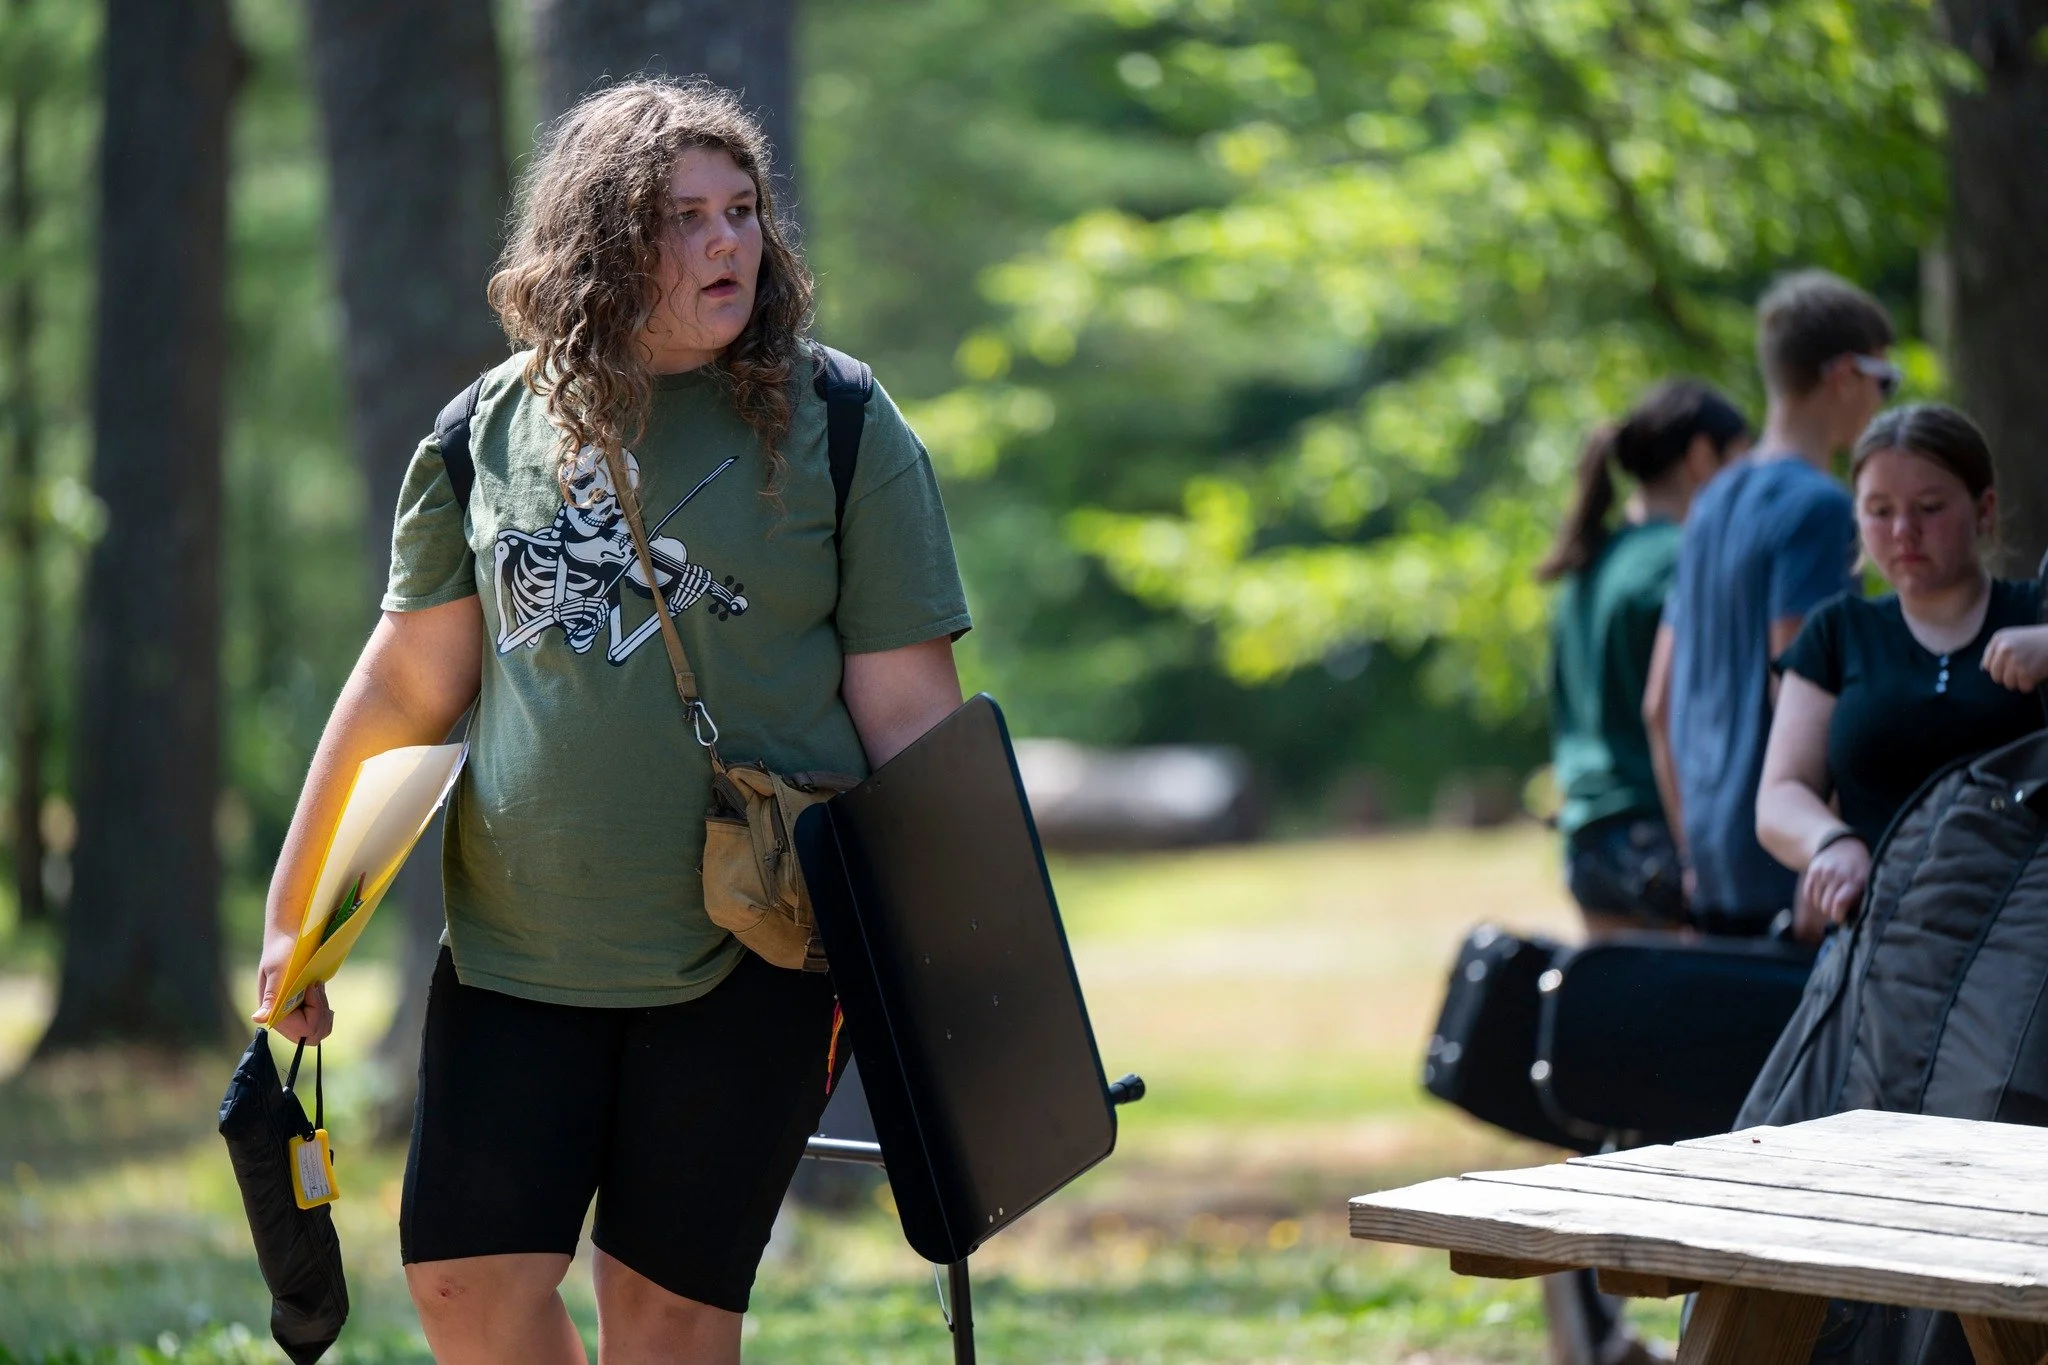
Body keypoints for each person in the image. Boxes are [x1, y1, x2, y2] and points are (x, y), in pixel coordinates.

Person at [252, 80, 972, 1363]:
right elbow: (407, 689)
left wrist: (950, 968)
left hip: (754, 950)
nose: (727, 245)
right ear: (600, 244)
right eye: (682, 218)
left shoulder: (845, 426)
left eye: (741, 212)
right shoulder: (487, 430)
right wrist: (296, 918)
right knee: (465, 1290)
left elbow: (912, 723)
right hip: (517, 948)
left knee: (667, 1322)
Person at [1645, 270, 1898, 938]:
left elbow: (1657, 703)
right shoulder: (1818, 509)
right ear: (1844, 373)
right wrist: (1825, 846)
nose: (1883, 401)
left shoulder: (1710, 503)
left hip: (1716, 861)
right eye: (1884, 379)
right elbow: (1803, 693)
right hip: (1790, 867)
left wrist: (1694, 852)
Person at [1758, 404, 2048, 929]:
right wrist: (1831, 842)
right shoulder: (1837, 631)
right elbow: (1780, 796)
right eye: (1879, 510)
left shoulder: (2038, 614)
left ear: (1984, 510)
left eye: (1930, 507)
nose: (1904, 531)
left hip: (2025, 941)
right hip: (1882, 940)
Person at [1540, 379, 1750, 938]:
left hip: (1588, 841)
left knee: (1618, 1022)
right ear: (1702, 456)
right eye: (1741, 463)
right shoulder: (1681, 560)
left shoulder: (1588, 566)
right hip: (1661, 839)